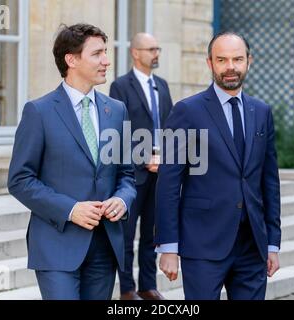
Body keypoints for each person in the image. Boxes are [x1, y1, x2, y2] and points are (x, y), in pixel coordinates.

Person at [7, 23, 136, 300]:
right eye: (98, 53)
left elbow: (127, 174)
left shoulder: (116, 110)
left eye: (106, 52)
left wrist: (122, 200)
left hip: (105, 246)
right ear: (72, 59)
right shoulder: (38, 112)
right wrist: (70, 209)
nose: (106, 61)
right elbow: (20, 180)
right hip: (56, 245)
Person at [154, 31, 281, 300]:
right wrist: (168, 246)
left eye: (237, 59)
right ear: (210, 63)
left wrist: (272, 243)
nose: (230, 67)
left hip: (252, 244)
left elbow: (269, 181)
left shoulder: (261, 112)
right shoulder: (186, 111)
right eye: (222, 60)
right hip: (202, 244)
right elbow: (168, 182)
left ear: (249, 61)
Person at [109, 33, 173, 300]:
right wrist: (144, 157)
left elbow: (170, 125)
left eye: (158, 48)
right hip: (133, 174)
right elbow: (119, 130)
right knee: (125, 235)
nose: (156, 53)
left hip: (161, 172)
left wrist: (167, 158)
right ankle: (126, 289)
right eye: (151, 49)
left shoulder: (163, 85)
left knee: (151, 234)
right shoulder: (120, 86)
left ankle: (147, 285)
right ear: (135, 53)